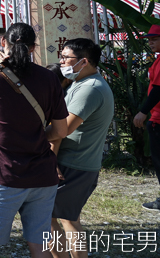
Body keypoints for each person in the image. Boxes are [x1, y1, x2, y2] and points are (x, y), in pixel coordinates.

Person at [0, 23, 69, 258]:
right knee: (40, 246)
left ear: (3, 43)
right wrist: (37, 135)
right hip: (43, 176)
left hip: (5, 175)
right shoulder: (50, 78)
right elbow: (61, 130)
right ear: (33, 47)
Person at [45, 38, 114, 258]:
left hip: (74, 164)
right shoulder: (81, 83)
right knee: (64, 219)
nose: (62, 61)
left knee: (55, 219)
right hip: (74, 163)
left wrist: (29, 137)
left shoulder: (90, 89)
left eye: (66, 58)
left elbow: (61, 129)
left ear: (83, 61)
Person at [133, 24, 160, 211]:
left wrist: (143, 112)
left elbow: (158, 90)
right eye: (149, 39)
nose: (150, 42)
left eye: (155, 39)